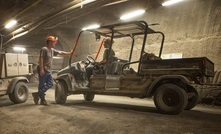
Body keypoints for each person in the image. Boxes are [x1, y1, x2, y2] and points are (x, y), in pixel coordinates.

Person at [32, 36, 72, 105]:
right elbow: (41, 59)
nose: (54, 44)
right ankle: (42, 100)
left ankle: (37, 94)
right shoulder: (44, 49)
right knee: (41, 85)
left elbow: (60, 52)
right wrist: (41, 69)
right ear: (49, 42)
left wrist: (69, 53)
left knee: (50, 83)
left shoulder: (52, 50)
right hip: (43, 68)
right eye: (53, 42)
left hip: (48, 69)